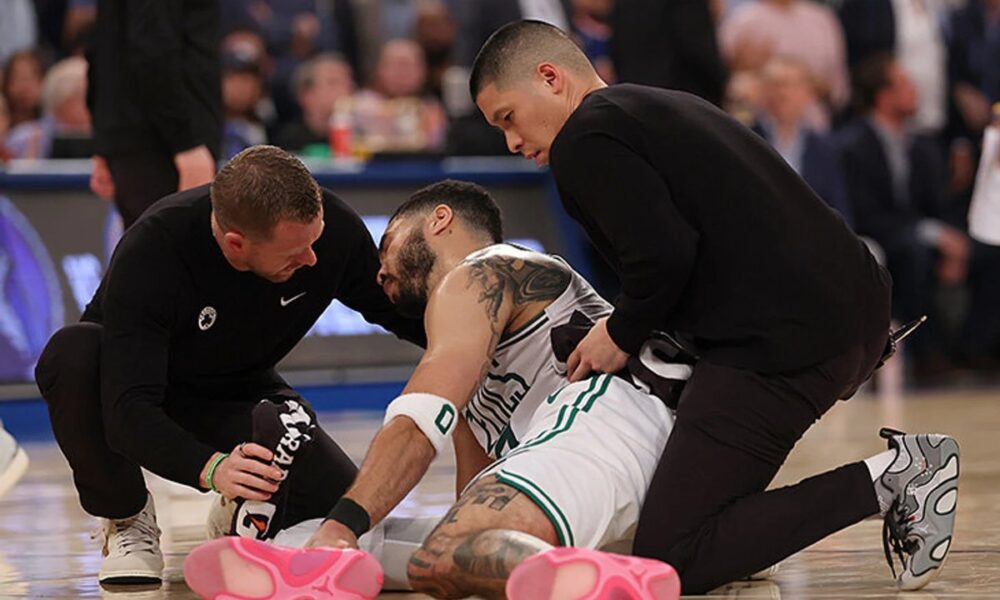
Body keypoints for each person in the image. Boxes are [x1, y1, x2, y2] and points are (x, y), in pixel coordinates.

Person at [469, 20, 959, 593]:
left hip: (785, 338)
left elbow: (665, 257)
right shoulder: (652, 105)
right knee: (706, 511)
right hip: (844, 310)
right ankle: (752, 540)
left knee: (675, 552)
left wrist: (619, 331)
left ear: (550, 78)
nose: (511, 142)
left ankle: (899, 477)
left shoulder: (585, 137)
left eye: (508, 118)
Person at [183, 180, 687, 599]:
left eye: (387, 246)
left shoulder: (482, 270)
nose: (378, 272)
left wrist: (342, 526)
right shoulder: (478, 350)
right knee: (431, 556)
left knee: (385, 536)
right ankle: (295, 559)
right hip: (622, 476)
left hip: (612, 416)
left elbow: (418, 423)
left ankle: (579, 587)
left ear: (440, 221)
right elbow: (471, 493)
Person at [33, 146, 425, 586]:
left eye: (315, 242)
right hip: (142, 388)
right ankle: (126, 519)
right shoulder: (155, 247)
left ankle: (238, 509)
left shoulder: (328, 231)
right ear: (236, 243)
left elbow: (400, 312)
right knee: (72, 354)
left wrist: (488, 337)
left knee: (341, 512)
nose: (313, 259)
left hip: (242, 392)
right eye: (296, 252)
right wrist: (212, 467)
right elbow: (128, 411)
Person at [837, 54, 969, 380]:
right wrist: (935, 235)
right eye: (906, 85)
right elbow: (864, 213)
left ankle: (973, 351)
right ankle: (925, 356)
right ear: (883, 95)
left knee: (985, 252)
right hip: (874, 236)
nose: (916, 91)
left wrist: (950, 239)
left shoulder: (923, 144)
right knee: (914, 252)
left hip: (917, 233)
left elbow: (937, 206)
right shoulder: (852, 146)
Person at [87, 0, 222, 227]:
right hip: (165, 147)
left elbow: (100, 45)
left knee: (147, 254)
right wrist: (186, 143)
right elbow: (151, 49)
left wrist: (103, 140)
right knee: (171, 253)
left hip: (137, 140)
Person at [752, 56, 852, 225]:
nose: (782, 93)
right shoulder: (747, 138)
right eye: (774, 84)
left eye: (790, 85)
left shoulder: (825, 148)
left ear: (809, 94)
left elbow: (839, 210)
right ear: (762, 91)